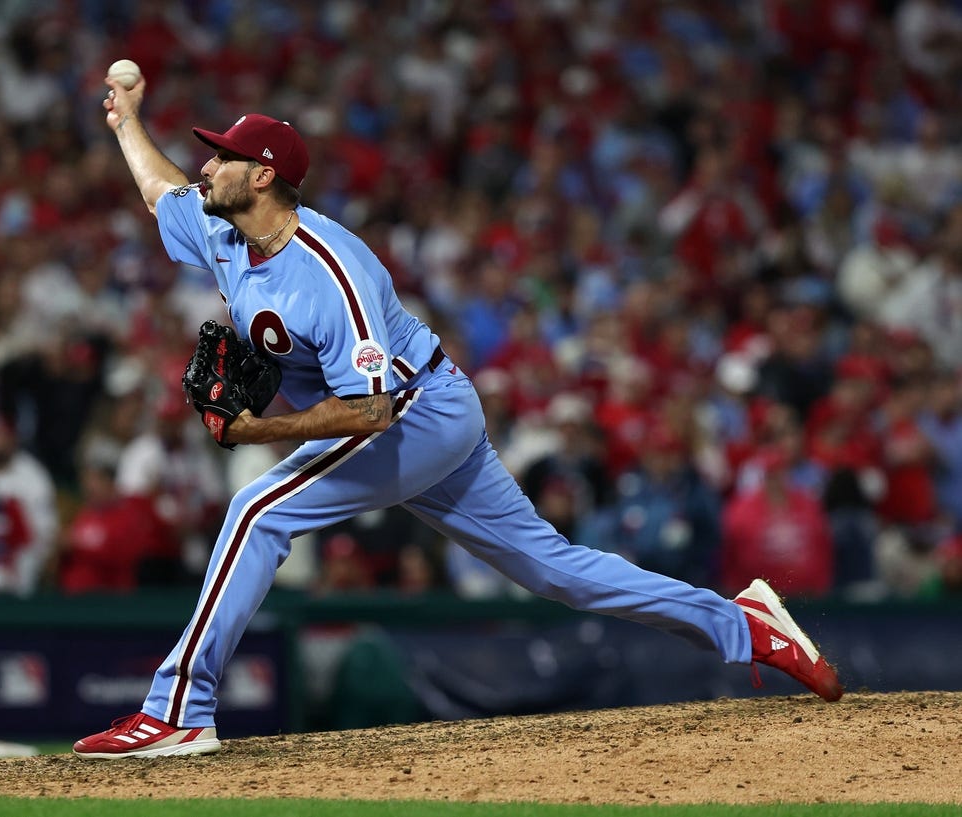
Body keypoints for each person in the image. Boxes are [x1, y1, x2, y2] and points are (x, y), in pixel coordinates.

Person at [73, 73, 843, 760]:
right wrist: (126, 122)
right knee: (554, 568)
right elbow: (159, 190)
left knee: (257, 508)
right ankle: (744, 623)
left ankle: (179, 710)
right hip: (432, 412)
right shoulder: (224, 230)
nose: (207, 166)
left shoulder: (330, 270)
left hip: (416, 411)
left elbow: (372, 408)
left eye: (223, 156)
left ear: (264, 175)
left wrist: (256, 432)